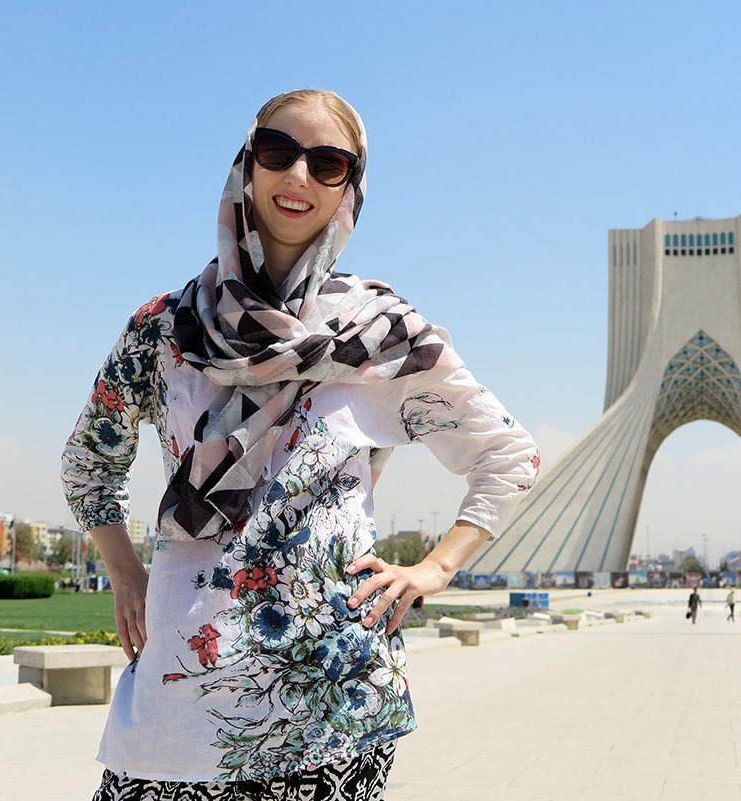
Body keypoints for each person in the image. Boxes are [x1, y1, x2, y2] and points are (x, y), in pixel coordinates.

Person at [61, 90, 539, 801]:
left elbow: (508, 454)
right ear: (246, 165)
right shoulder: (163, 328)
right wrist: (124, 571)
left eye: (328, 163)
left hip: (327, 699)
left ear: (353, 185)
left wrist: (436, 568)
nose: (299, 178)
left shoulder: (379, 332)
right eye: (279, 154)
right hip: (178, 684)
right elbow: (88, 463)